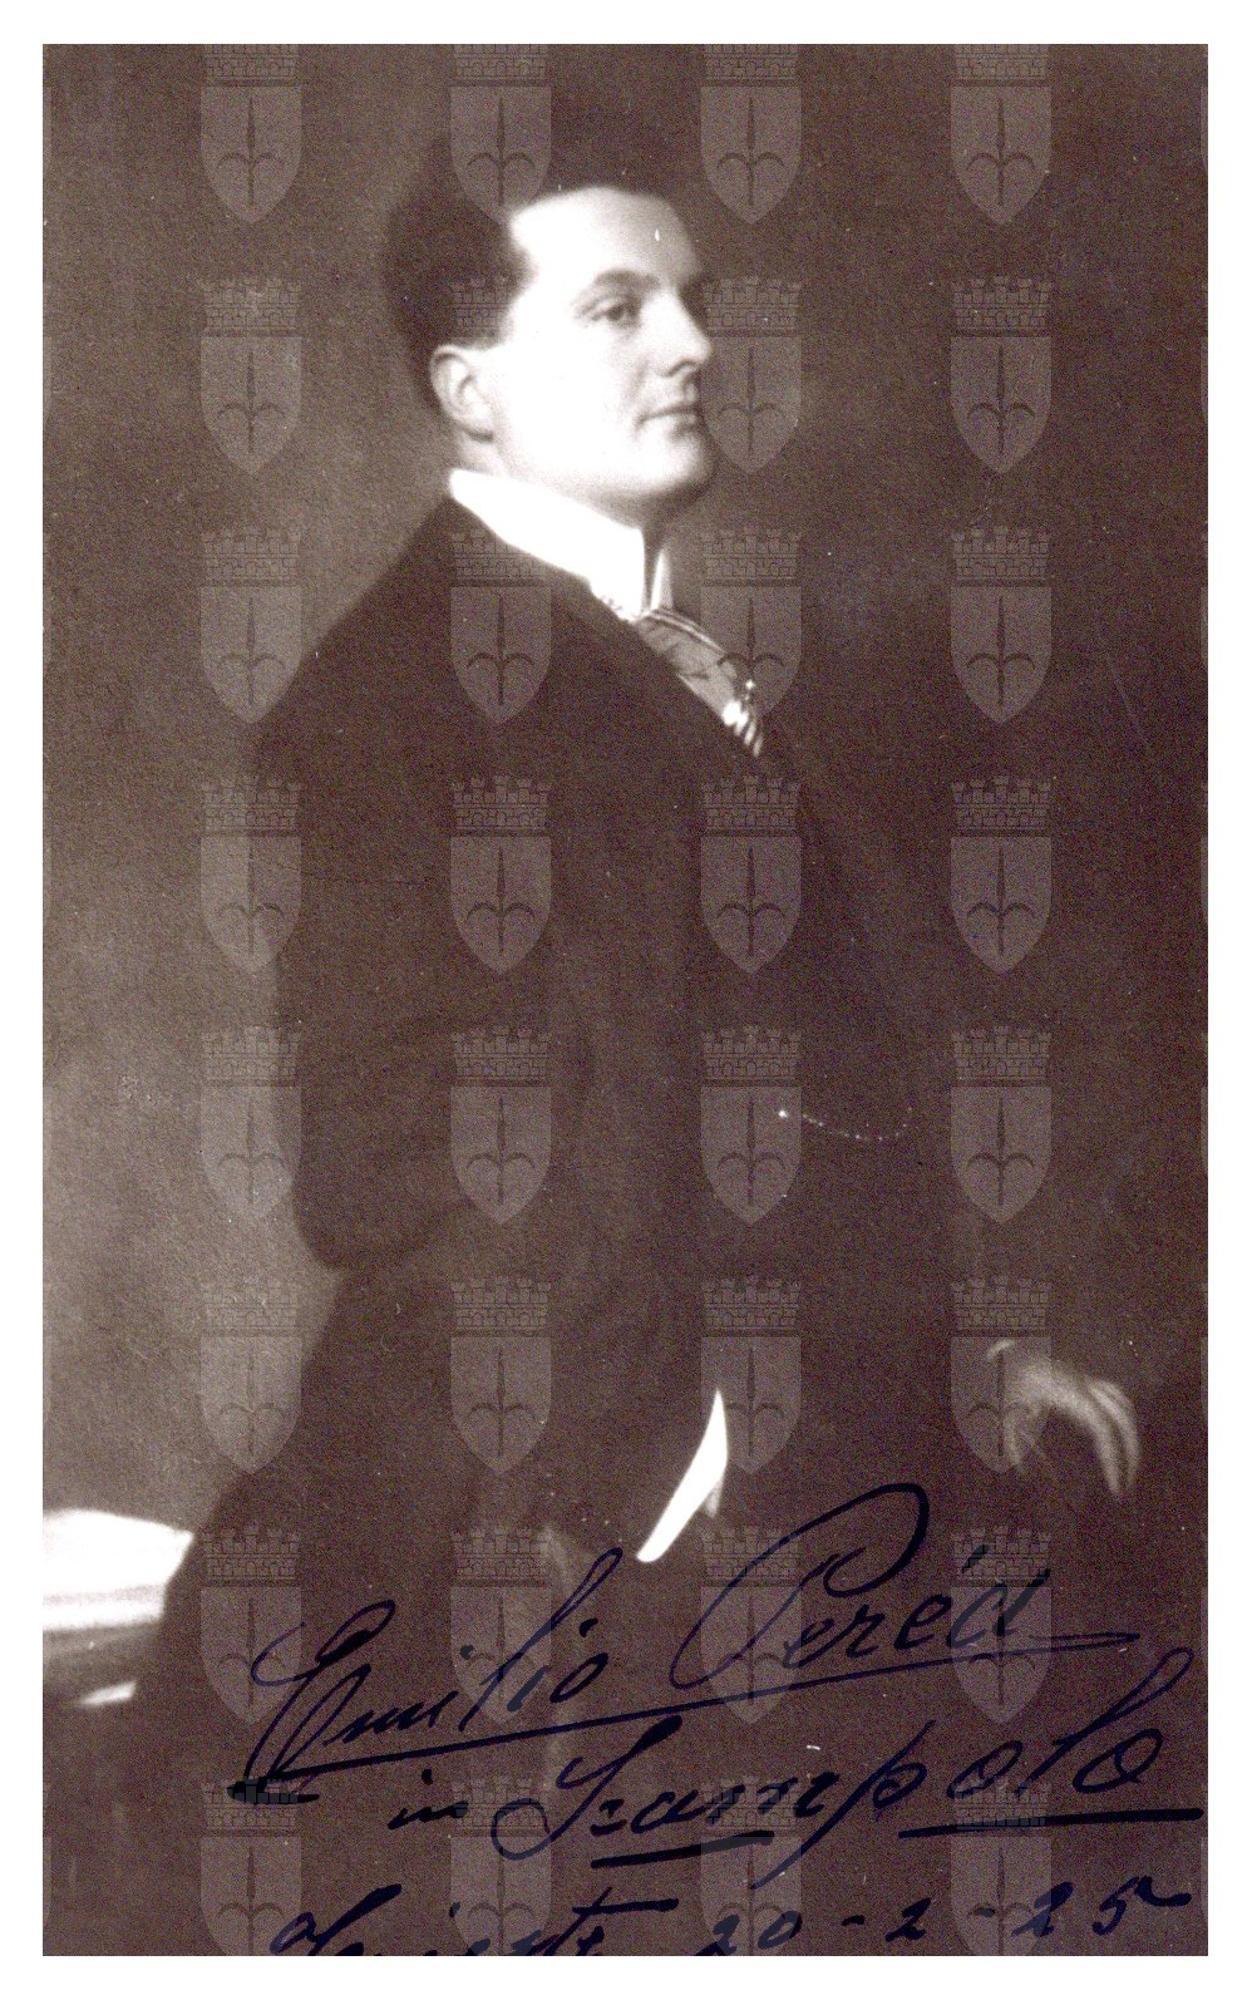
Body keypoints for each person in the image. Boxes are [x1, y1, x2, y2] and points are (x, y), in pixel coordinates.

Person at [118, 125, 1140, 1953]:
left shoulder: (684, 667)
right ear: (472, 389)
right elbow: (388, 1157)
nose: (693, 345)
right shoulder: (391, 699)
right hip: (554, 1560)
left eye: (693, 301)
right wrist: (677, 1465)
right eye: (617, 308)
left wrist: (964, 1358)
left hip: (810, 1525)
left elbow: (813, 1098)